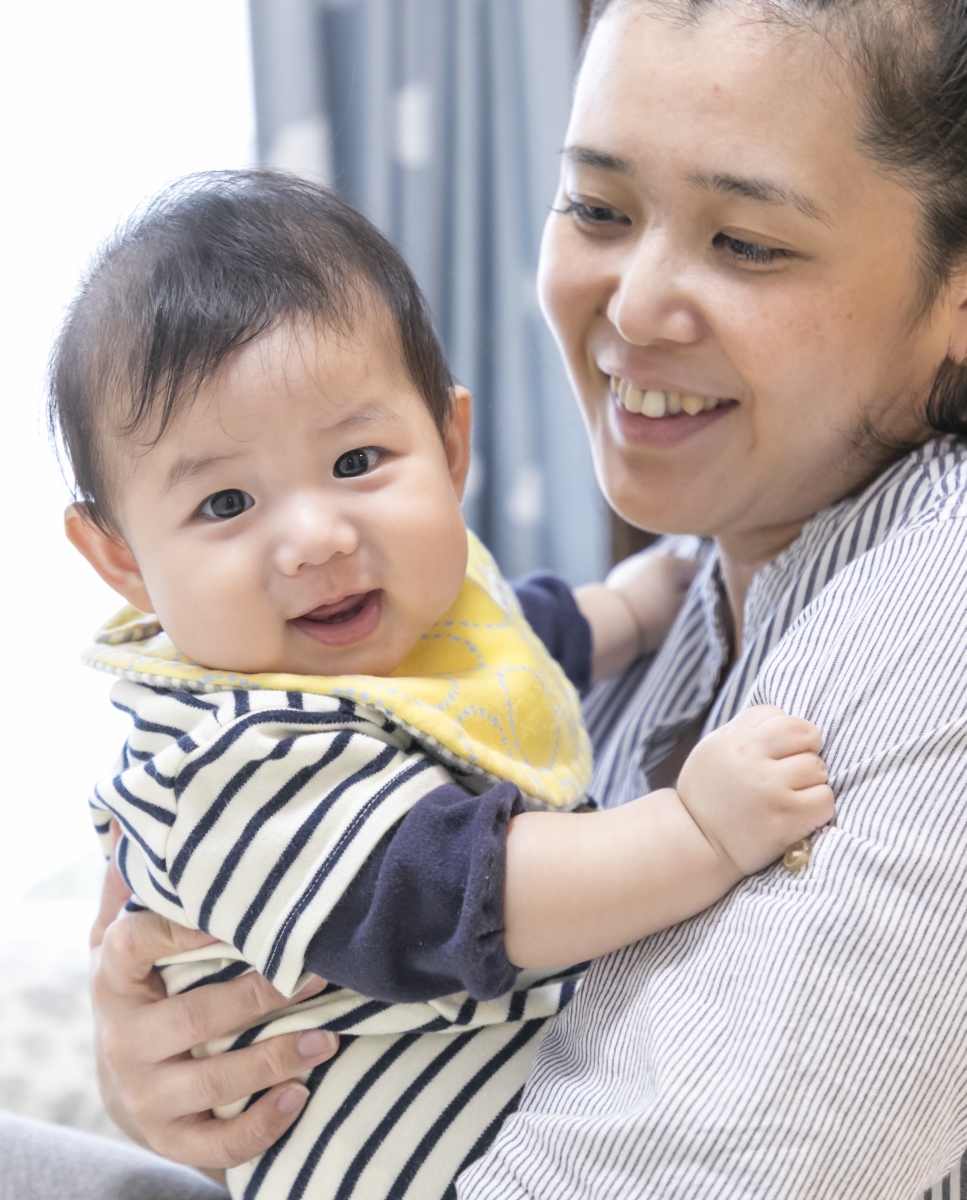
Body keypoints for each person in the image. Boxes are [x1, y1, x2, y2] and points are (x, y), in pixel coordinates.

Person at [0, 0, 967, 1197]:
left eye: (748, 242)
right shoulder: (697, 611)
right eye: (597, 205)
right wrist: (190, 1057)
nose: (633, 305)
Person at [51, 171, 832, 1200]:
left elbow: (511, 645)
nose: (316, 537)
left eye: (357, 460)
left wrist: (633, 610)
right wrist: (697, 832)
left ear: (451, 447)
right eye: (227, 503)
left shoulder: (408, 611)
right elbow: (462, 892)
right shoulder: (219, 759)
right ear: (121, 558)